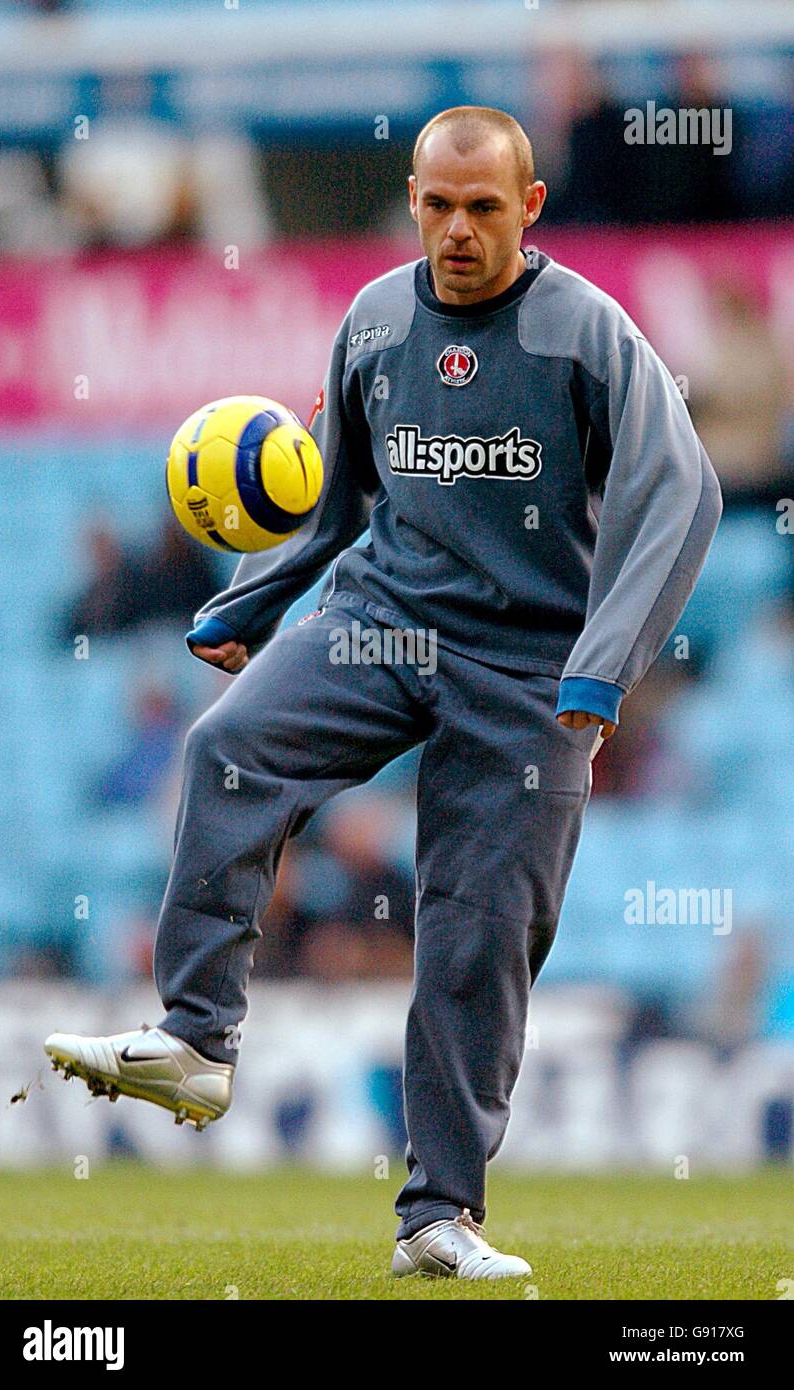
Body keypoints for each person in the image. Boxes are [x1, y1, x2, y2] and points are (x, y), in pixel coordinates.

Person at [45, 106, 722, 1281]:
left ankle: (436, 1218)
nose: (457, 230)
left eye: (483, 207)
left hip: (530, 671)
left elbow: (681, 493)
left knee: (473, 936)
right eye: (437, 205)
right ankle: (196, 1040)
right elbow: (332, 496)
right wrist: (245, 606)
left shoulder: (586, 336)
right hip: (381, 623)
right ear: (411, 199)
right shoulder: (370, 322)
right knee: (225, 749)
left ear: (530, 208)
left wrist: (602, 669)